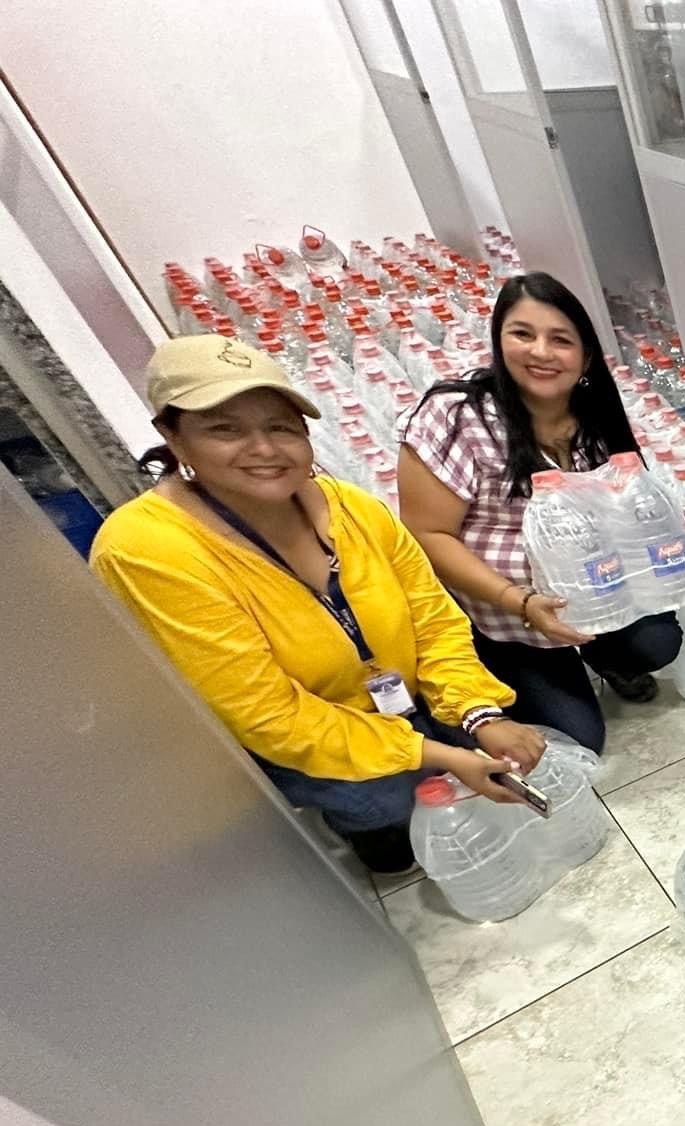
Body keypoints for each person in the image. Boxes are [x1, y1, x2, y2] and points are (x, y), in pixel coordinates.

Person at [91, 334, 546, 875]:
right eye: (225, 429)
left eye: (280, 427)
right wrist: (441, 755)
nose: (264, 449)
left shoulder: (352, 508)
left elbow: (433, 620)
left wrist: (477, 712)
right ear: (173, 437)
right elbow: (271, 716)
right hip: (303, 732)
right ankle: (364, 822)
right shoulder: (147, 549)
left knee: (512, 744)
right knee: (390, 802)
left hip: (402, 699)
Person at [398, 272, 680, 753]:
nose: (541, 352)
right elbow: (426, 534)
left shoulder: (595, 416)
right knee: (579, 738)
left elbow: (622, 504)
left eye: (561, 340)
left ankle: (603, 658)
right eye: (523, 334)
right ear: (498, 340)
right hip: (504, 614)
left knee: (656, 643)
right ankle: (505, 670)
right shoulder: (457, 417)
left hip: (592, 592)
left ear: (585, 358)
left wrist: (664, 530)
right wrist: (521, 601)